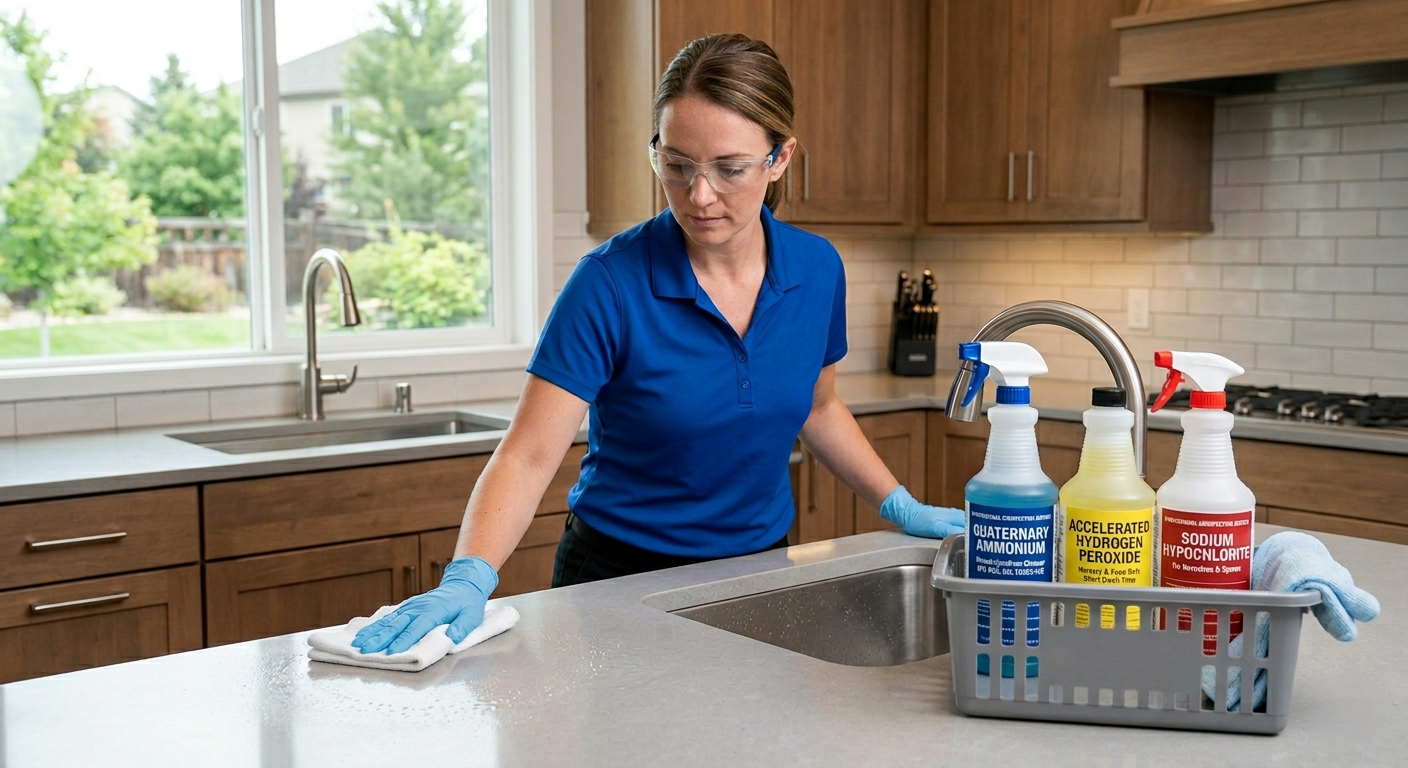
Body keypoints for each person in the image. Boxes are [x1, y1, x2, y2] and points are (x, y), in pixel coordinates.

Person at [352, 34, 964, 656]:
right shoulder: (610, 282)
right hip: (619, 582)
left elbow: (819, 405)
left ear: (780, 158)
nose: (699, 195)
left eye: (729, 169)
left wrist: (899, 503)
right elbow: (528, 455)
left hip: (760, 574)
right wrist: (470, 575)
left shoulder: (817, 269)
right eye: (676, 165)